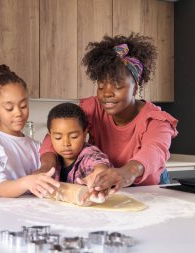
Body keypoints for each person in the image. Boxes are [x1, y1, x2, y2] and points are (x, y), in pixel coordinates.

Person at [40, 33, 178, 201]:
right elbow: (59, 129)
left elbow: (154, 152)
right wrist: (47, 166)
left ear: (135, 88)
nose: (106, 94)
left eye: (117, 86)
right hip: (109, 186)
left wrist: (127, 172)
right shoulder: (93, 108)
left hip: (150, 189)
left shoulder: (156, 120)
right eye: (100, 86)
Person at [0, 64, 60, 198]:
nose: (18, 113)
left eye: (23, 105)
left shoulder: (34, 146)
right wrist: (28, 182)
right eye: (9, 108)